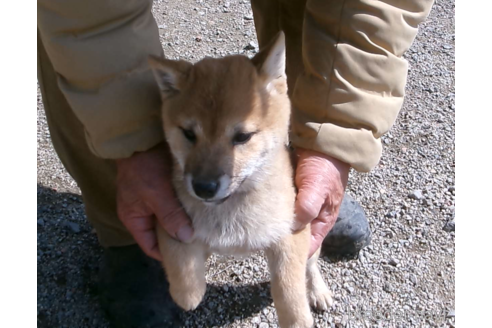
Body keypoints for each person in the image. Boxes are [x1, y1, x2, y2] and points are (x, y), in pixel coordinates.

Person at [37, 0, 434, 326]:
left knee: (297, 232)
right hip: (86, 16)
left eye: (240, 138)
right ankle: (126, 234)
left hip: (273, 182)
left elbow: (377, 12)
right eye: (190, 135)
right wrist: (130, 144)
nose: (207, 174)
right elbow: (84, 23)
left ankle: (312, 169)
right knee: (94, 73)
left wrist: (335, 136)